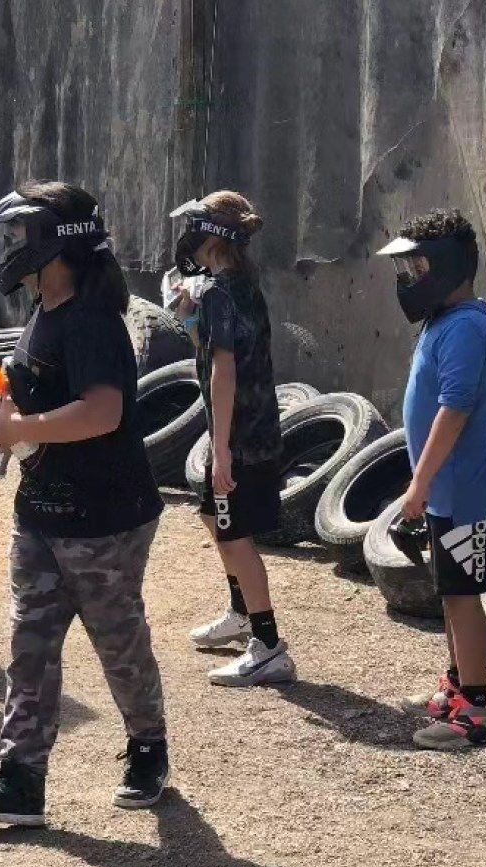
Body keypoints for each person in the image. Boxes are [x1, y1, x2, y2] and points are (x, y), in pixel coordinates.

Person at [0, 182, 169, 826]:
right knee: (30, 645)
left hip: (105, 518)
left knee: (117, 643)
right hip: (42, 510)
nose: (9, 248)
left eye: (20, 236)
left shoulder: (93, 321)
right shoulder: (45, 307)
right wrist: (3, 394)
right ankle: (20, 780)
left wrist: (21, 429)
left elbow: (103, 412)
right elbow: (41, 390)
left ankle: (148, 746)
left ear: (55, 243)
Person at [376, 208, 486, 750]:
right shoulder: (447, 321)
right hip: (449, 489)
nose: (408, 278)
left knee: (462, 596)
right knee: (451, 592)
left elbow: (453, 410)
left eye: (417, 266)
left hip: (465, 491)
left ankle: (475, 709)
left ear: (449, 266)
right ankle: (458, 688)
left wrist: (419, 483)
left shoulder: (466, 328)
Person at [171, 191, 296, 687]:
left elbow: (224, 372)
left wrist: (220, 447)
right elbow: (211, 349)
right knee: (210, 513)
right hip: (246, 429)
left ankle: (267, 646)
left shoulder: (223, 291)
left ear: (213, 237)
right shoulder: (234, 286)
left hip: (242, 435)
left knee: (234, 534)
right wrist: (188, 318)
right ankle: (241, 613)